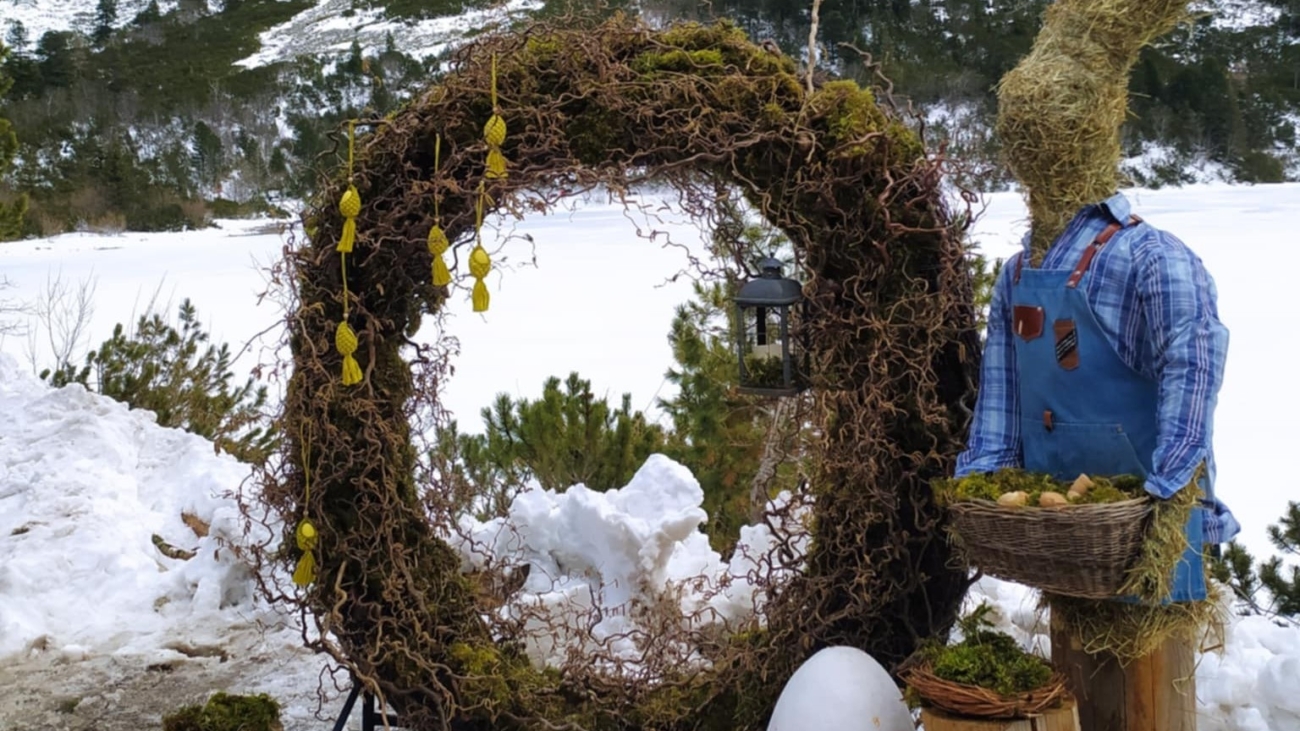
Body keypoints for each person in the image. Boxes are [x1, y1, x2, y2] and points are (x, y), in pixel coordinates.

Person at [955, 191, 1240, 601]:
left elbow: (1193, 369)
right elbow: (1002, 392)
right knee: (1071, 646)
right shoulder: (1017, 273)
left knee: (1151, 654)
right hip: (1059, 532)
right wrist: (983, 486)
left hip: (1142, 526)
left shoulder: (1152, 257)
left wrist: (1168, 493)